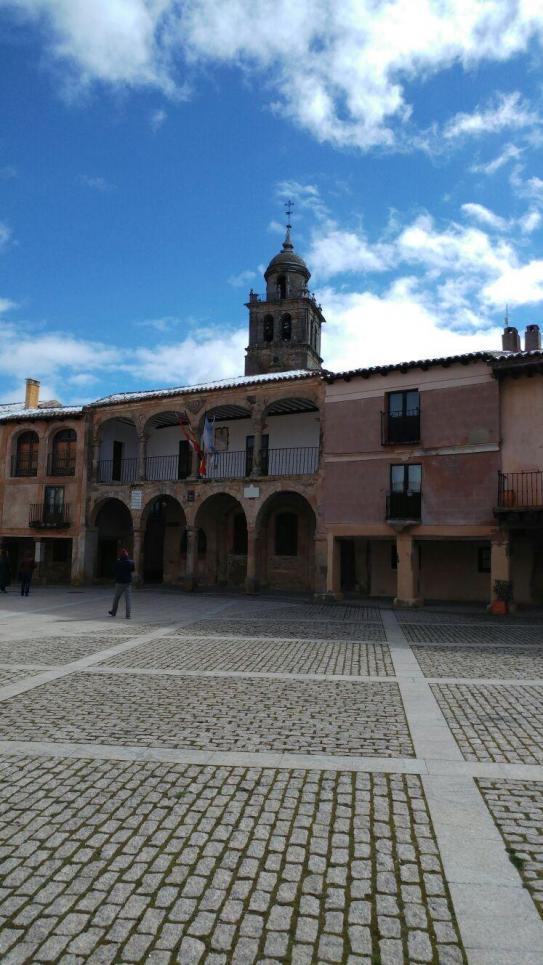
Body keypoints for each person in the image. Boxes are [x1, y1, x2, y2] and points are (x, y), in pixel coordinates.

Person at [109, 548, 135, 619]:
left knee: (116, 598)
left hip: (119, 583)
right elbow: (132, 570)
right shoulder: (131, 562)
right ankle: (128, 615)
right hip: (127, 583)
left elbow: (114, 570)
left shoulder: (117, 562)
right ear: (127, 555)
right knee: (128, 599)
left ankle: (113, 612)